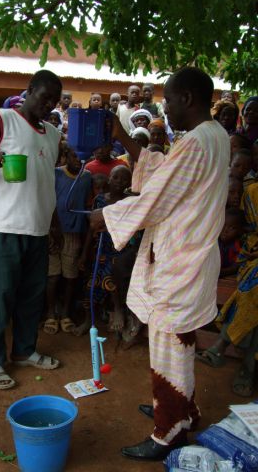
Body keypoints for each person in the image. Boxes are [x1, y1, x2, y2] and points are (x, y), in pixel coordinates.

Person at [90, 67, 230, 460]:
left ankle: (167, 433)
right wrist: (121, 138)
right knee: (179, 341)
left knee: (170, 342)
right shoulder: (213, 136)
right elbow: (161, 174)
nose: (164, 107)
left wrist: (107, 216)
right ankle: (182, 409)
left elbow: (156, 197)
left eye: (168, 99)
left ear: (187, 97)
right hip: (191, 254)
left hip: (181, 259)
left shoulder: (197, 143)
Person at [0, 70, 62, 390]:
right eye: (44, 96)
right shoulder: (1, 120)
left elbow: (47, 181)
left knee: (31, 297)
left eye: (54, 101)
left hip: (38, 229)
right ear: (29, 90)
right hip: (3, 225)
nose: (48, 104)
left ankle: (24, 351)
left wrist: (54, 224)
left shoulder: (52, 134)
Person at [196, 183, 258, 397]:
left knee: (253, 290)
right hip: (252, 258)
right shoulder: (252, 191)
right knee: (254, 287)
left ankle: (222, 345)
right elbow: (248, 231)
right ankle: (248, 368)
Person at [76, 165, 132, 336]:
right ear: (109, 178)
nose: (119, 182)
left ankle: (118, 310)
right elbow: (92, 228)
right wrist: (84, 254)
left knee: (110, 275)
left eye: (124, 179)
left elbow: (132, 227)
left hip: (118, 248)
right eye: (116, 177)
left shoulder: (129, 202)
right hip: (100, 247)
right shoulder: (99, 200)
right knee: (90, 285)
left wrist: (109, 228)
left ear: (129, 182)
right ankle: (88, 320)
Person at [43, 145, 92, 335]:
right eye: (73, 156)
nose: (77, 161)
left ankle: (65, 313)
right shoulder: (56, 174)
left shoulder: (86, 177)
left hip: (73, 232)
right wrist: (51, 229)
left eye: (80, 158)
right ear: (65, 156)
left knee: (70, 276)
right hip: (53, 231)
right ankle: (50, 314)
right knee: (53, 275)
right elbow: (48, 201)